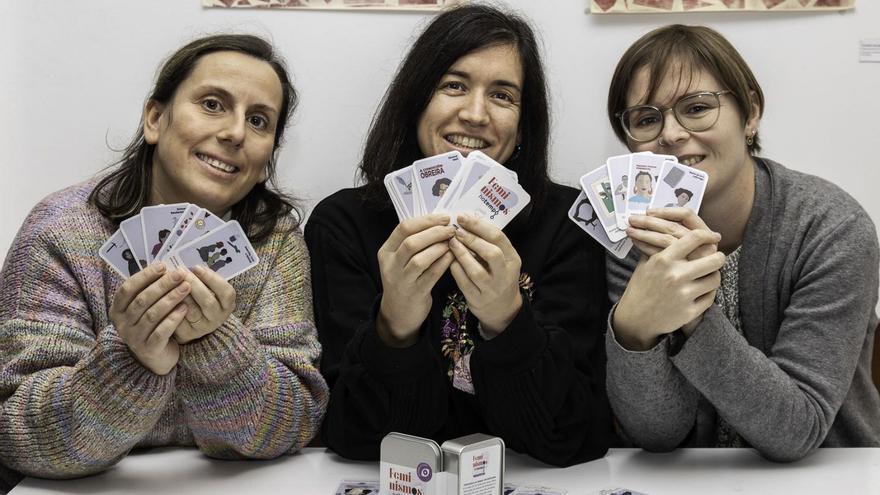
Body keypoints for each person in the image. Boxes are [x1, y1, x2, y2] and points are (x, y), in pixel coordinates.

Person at [0, 34, 328, 491]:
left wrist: (216, 342)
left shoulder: (275, 241)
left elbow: (293, 425)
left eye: (258, 120)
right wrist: (133, 358)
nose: (235, 133)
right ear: (155, 119)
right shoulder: (60, 231)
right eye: (213, 104)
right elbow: (19, 437)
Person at [305, 4, 613, 466]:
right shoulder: (343, 222)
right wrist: (397, 325)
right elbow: (355, 438)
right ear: (415, 101)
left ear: (524, 123)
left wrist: (506, 316)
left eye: (503, 96)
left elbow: (575, 435)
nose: (475, 114)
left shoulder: (567, 221)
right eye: (454, 85)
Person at [604, 24, 880, 462]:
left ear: (750, 113)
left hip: (831, 475)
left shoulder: (832, 228)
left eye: (696, 108)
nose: (671, 134)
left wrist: (692, 314)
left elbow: (797, 430)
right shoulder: (632, 232)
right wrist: (633, 331)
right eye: (647, 118)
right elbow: (656, 433)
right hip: (688, 482)